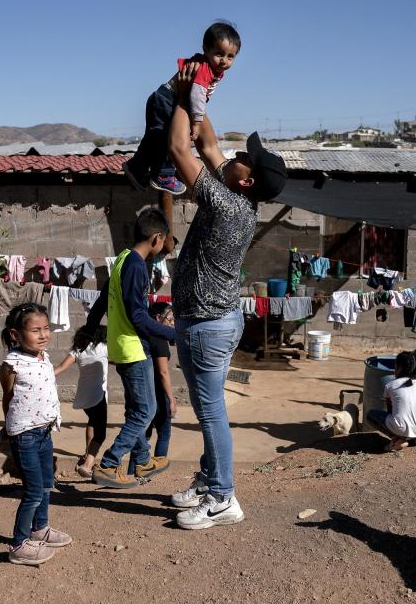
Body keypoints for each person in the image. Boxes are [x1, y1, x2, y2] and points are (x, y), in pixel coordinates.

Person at [164, 65, 289, 530]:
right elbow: (207, 144)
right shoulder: (235, 190)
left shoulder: (227, 204)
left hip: (206, 326)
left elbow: (180, 148)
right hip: (215, 320)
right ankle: (210, 479)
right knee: (208, 409)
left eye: (246, 158)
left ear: (247, 179)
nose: (237, 154)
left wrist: (180, 97)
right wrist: (201, 94)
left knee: (211, 412)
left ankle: (222, 497)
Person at [83, 208, 179, 489]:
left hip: (122, 347)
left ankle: (143, 458)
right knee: (145, 412)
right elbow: (138, 317)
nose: (163, 248)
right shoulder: (137, 265)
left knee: (137, 409)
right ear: (157, 238)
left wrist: (90, 326)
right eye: (165, 243)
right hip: (134, 349)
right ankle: (110, 463)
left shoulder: (124, 258)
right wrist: (173, 333)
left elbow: (103, 297)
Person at [123, 21, 241, 196]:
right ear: (206, 49)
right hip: (168, 101)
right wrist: (196, 122)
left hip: (161, 98)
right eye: (219, 54)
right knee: (168, 138)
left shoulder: (211, 67)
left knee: (155, 138)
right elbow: (197, 95)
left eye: (230, 56)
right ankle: (164, 175)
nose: (224, 60)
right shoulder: (205, 69)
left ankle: (136, 167)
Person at [0, 303, 72, 566]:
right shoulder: (12, 364)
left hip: (44, 432)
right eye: (35, 330)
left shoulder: (44, 356)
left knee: (45, 485)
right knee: (33, 492)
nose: (43, 335)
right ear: (16, 335)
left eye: (46, 329)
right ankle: (18, 545)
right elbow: (7, 398)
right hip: (26, 435)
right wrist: (7, 427)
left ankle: (40, 530)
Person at [126, 302, 177, 476]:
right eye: (169, 319)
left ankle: (133, 471)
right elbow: (163, 372)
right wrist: (171, 398)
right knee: (164, 432)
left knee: (142, 434)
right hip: (157, 392)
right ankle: (156, 471)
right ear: (157, 318)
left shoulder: (143, 334)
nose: (171, 323)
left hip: (142, 391)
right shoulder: (159, 338)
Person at [53, 325, 109, 479]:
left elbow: (61, 367)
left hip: (84, 398)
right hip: (98, 397)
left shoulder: (78, 349)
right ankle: (87, 465)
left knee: (92, 422)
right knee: (101, 433)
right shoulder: (104, 348)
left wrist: (43, 376)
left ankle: (86, 453)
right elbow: (117, 360)